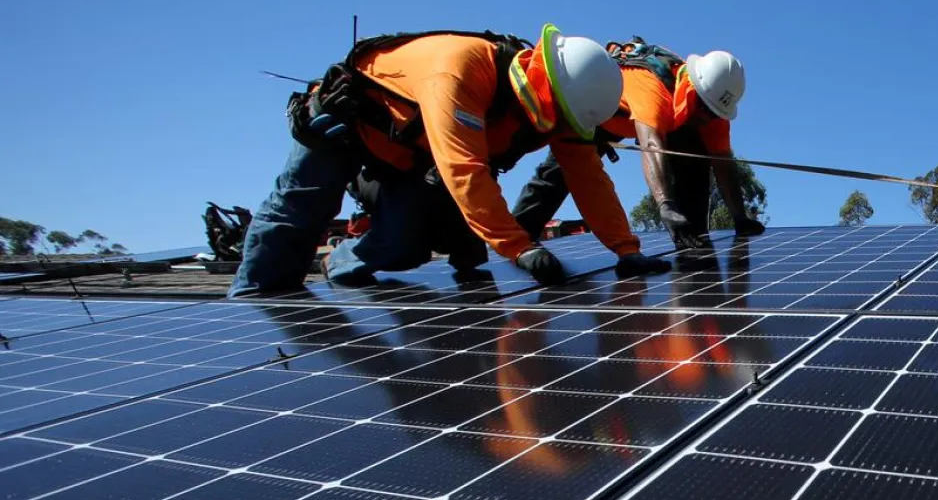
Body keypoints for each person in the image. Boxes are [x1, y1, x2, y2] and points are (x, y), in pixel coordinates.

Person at [229, 25, 670, 297]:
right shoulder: (460, 70)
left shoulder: (566, 111)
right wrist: (521, 249)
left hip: (410, 159)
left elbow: (588, 179)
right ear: (544, 86)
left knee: (406, 244)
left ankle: (338, 266)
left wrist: (626, 251)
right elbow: (464, 170)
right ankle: (250, 306)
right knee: (299, 211)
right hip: (345, 126)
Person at [510, 38, 765, 254]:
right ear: (692, 87)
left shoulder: (713, 112)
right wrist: (666, 205)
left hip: (662, 122)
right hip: (602, 111)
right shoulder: (652, 88)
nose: (706, 116)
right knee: (558, 174)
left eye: (713, 112)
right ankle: (518, 241)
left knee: (694, 158)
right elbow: (652, 146)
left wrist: (740, 218)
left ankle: (692, 240)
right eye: (703, 107)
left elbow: (723, 163)